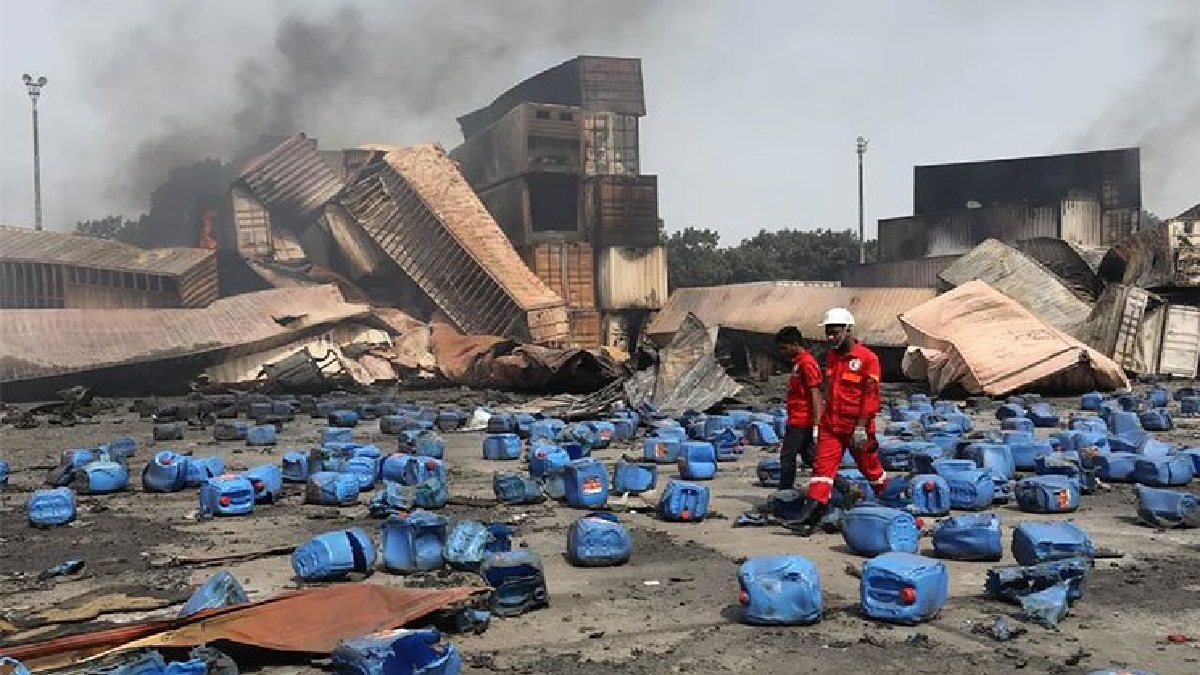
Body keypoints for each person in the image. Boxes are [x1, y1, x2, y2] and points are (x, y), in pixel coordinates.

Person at [788, 307, 887, 535]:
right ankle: (809, 519)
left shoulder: (868, 359)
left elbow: (870, 397)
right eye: (828, 333)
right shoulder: (832, 356)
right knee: (822, 470)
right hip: (832, 426)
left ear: (848, 329)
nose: (831, 337)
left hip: (856, 428)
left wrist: (861, 427)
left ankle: (889, 499)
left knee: (871, 469)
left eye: (835, 332)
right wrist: (818, 425)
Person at [773, 326, 822, 491]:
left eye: (784, 348)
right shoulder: (798, 364)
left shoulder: (807, 364)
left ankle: (784, 493)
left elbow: (815, 394)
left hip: (802, 420)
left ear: (794, 344)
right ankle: (843, 486)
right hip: (796, 417)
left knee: (787, 456)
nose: (782, 352)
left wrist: (816, 424)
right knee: (809, 458)